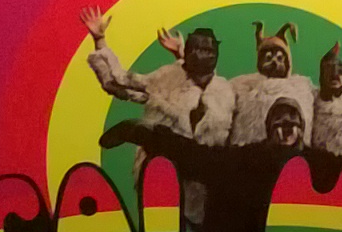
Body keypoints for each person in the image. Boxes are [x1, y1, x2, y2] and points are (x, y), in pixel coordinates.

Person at [81, 7, 234, 145]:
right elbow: (118, 82)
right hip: (164, 161)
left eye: (206, 50)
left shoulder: (225, 93)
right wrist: (99, 40)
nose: (201, 54)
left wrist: (180, 55)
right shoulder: (165, 80)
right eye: (195, 49)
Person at [227, 22, 318, 146]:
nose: (275, 62)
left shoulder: (302, 89)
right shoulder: (244, 87)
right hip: (250, 152)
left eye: (280, 58)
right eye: (268, 58)